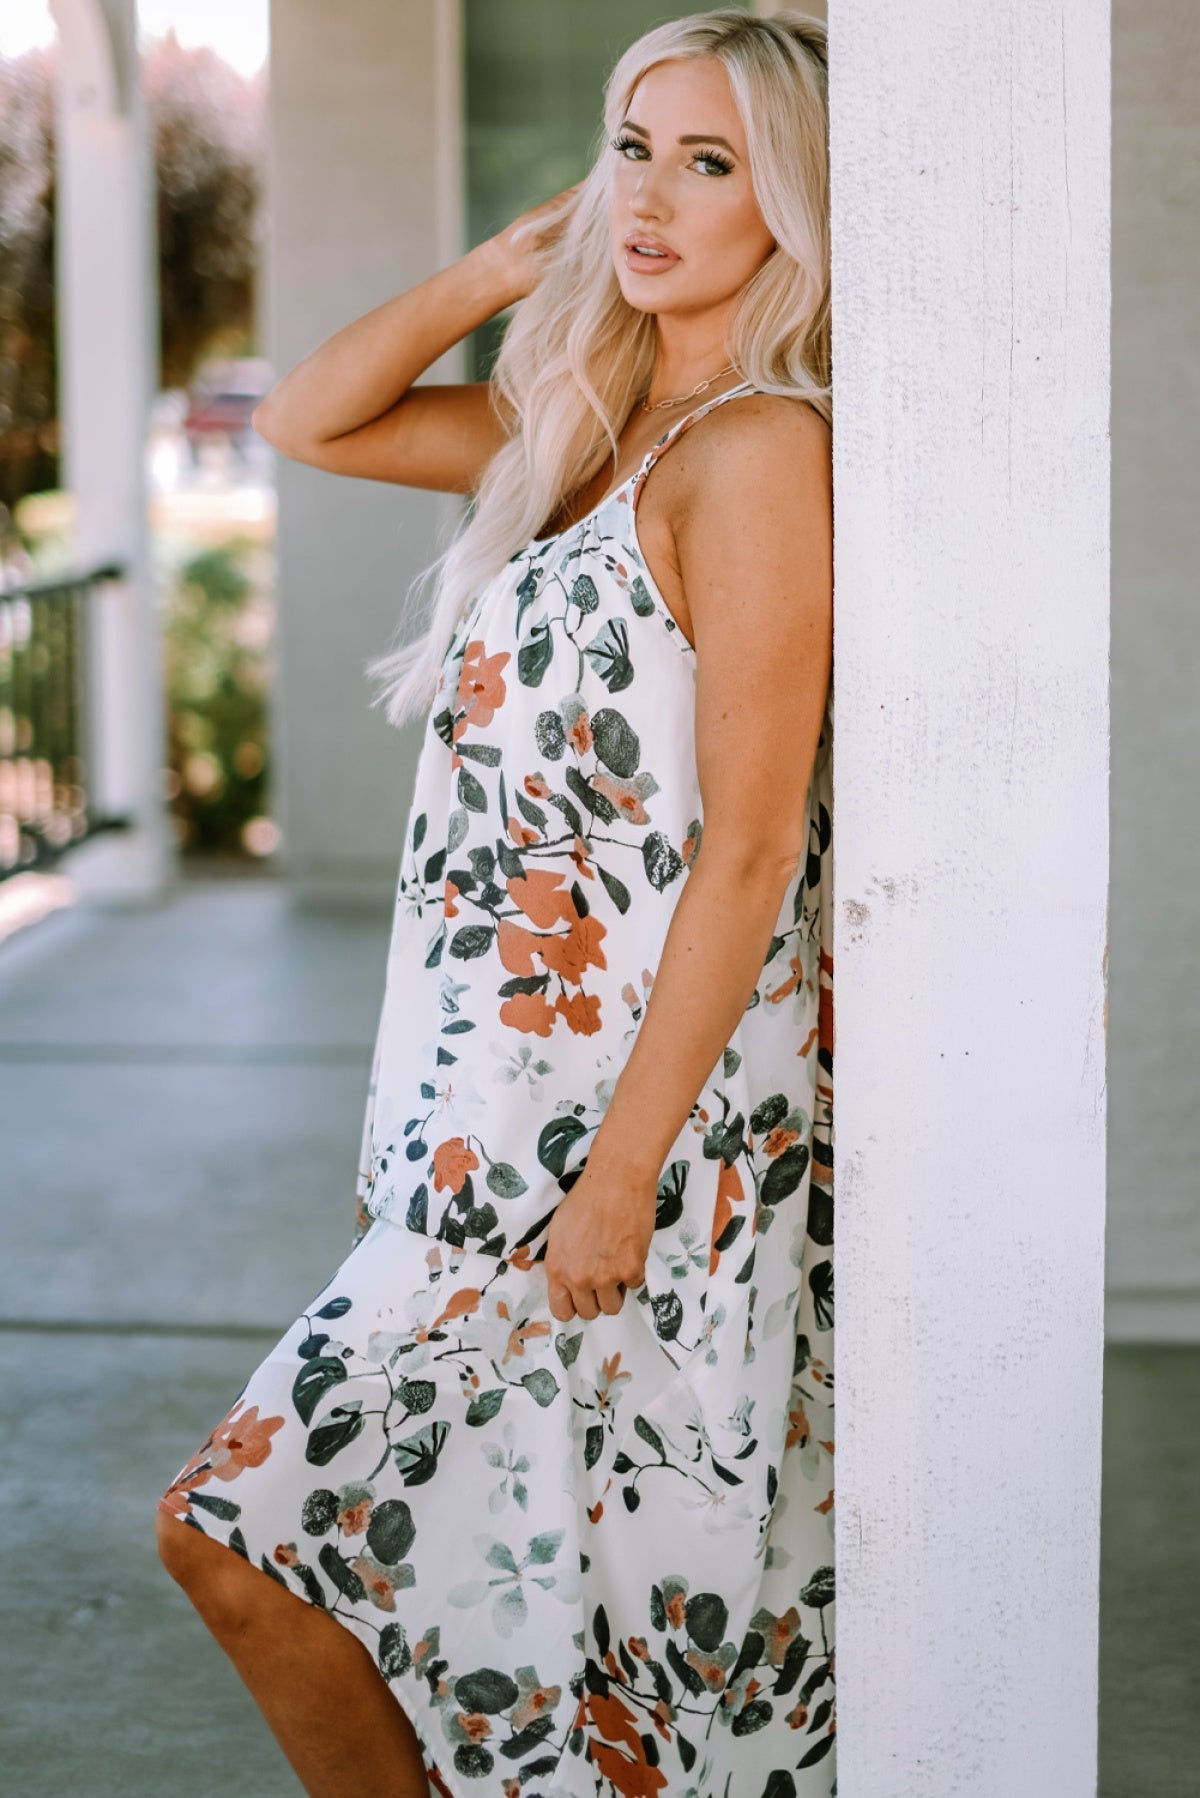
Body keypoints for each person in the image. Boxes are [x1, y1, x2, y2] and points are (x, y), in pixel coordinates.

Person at [155, 10, 835, 1796]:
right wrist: (511, 258)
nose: (660, 196)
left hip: (614, 1132)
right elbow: (313, 413)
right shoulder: (586, 425)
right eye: (637, 146)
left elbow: (753, 849)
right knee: (529, 1618)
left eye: (717, 163)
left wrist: (620, 1175)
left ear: (801, 207)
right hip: (476, 1116)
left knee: (243, 1538)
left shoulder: (760, 453)